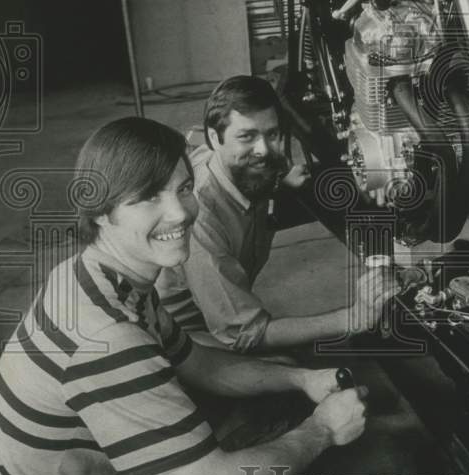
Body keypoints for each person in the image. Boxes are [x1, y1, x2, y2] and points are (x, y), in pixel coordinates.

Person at [0, 117, 370, 475]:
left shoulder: (102, 277)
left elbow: (198, 363)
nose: (181, 212)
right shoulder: (109, 338)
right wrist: (322, 430)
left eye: (184, 188)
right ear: (98, 210)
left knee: (282, 396)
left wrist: (302, 380)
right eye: (148, 196)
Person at [156, 75, 396, 353]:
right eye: (246, 136)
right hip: (184, 334)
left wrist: (281, 183)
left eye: (272, 134)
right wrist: (355, 317)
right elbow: (244, 335)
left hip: (214, 309)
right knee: (295, 373)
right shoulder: (201, 218)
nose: (263, 150)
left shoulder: (240, 165)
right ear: (214, 138)